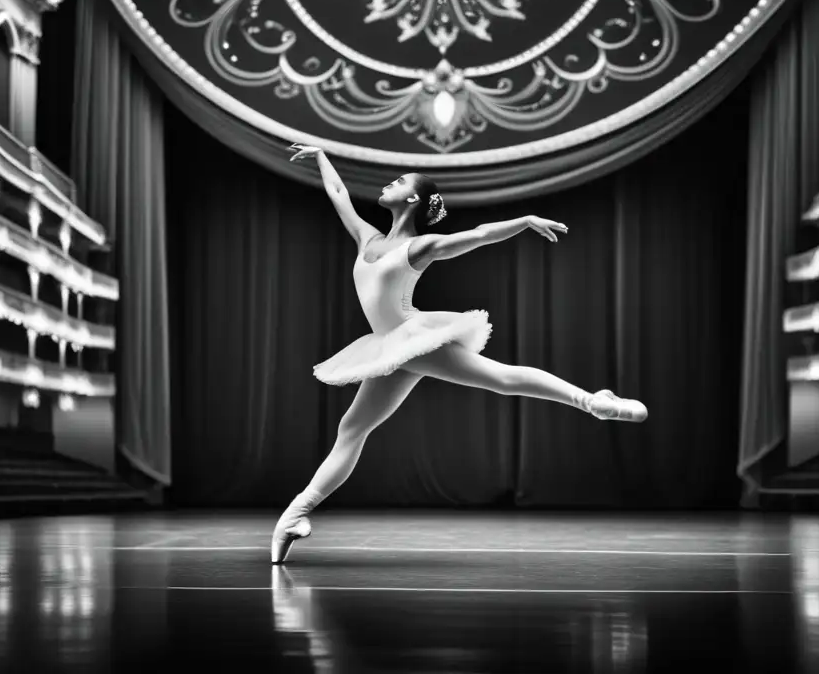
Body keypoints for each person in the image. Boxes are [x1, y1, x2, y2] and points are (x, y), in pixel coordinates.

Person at [271, 145, 647, 563]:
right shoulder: (368, 237)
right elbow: (338, 194)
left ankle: (593, 402)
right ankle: (293, 515)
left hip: (412, 336)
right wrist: (322, 157)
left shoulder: (421, 245)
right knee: (351, 430)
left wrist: (523, 221)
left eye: (399, 182)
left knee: (500, 378)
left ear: (412, 200)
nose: (389, 183)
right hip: (390, 348)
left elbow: (481, 234)